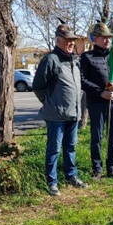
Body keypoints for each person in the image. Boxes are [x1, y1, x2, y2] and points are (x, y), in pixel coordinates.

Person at [32, 22, 88, 196]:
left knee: (71, 147)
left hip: (73, 113)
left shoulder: (75, 60)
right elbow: (38, 86)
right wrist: (50, 103)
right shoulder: (51, 59)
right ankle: (52, 181)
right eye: (67, 40)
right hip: (56, 115)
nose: (71, 43)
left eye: (72, 40)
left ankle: (71, 176)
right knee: (54, 149)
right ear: (58, 40)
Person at [80, 21, 113, 180]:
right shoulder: (87, 57)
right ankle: (97, 168)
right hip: (97, 102)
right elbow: (82, 80)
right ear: (95, 39)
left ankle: (112, 167)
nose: (107, 40)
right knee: (97, 136)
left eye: (108, 37)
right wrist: (100, 93)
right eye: (103, 37)